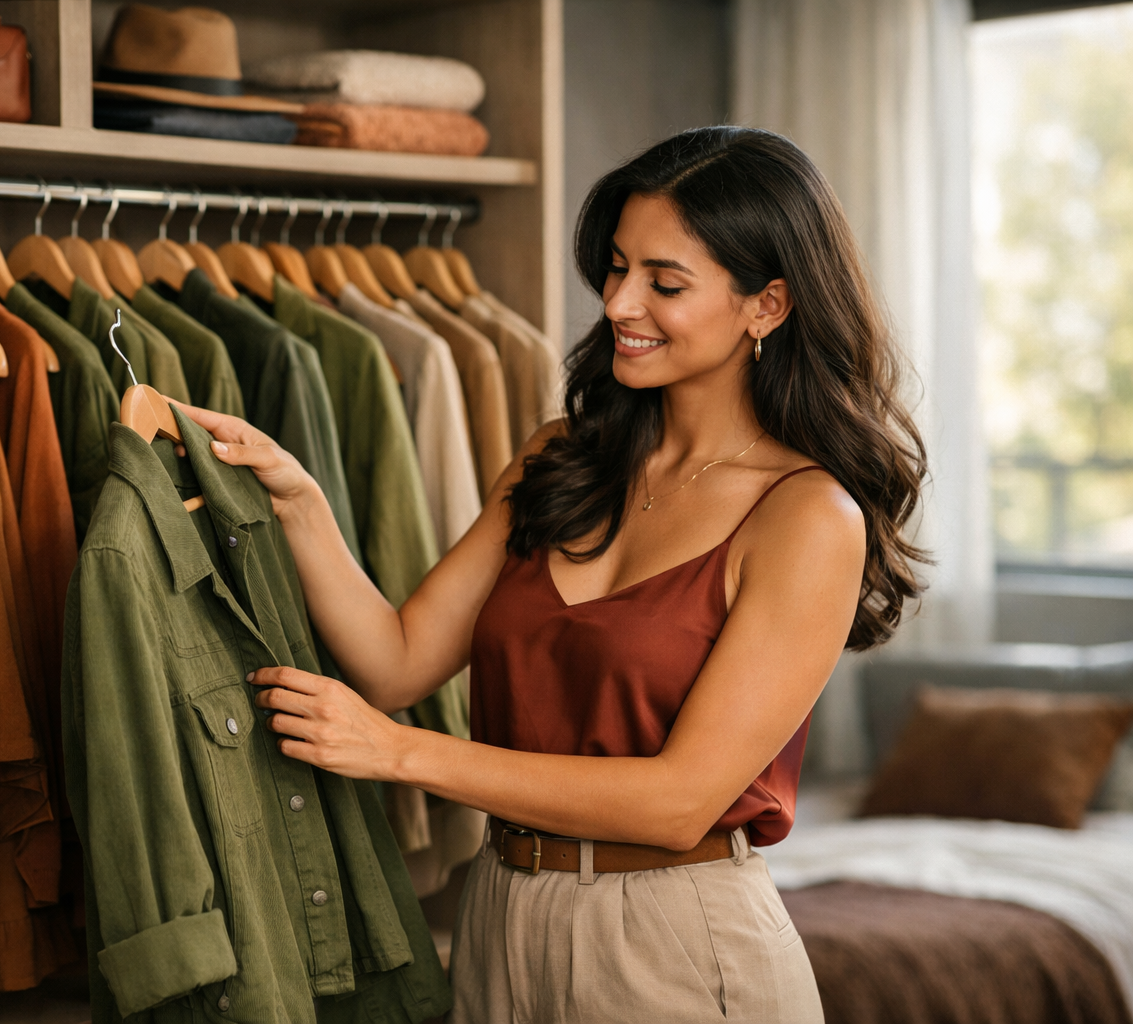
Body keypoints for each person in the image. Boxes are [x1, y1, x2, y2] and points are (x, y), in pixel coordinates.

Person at [178, 126, 927, 1024]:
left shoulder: (808, 516)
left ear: (766, 306)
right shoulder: (563, 456)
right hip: (501, 911)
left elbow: (679, 801)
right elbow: (398, 659)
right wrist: (299, 502)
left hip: (677, 938)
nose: (618, 304)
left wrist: (398, 751)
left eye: (665, 283)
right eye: (615, 269)